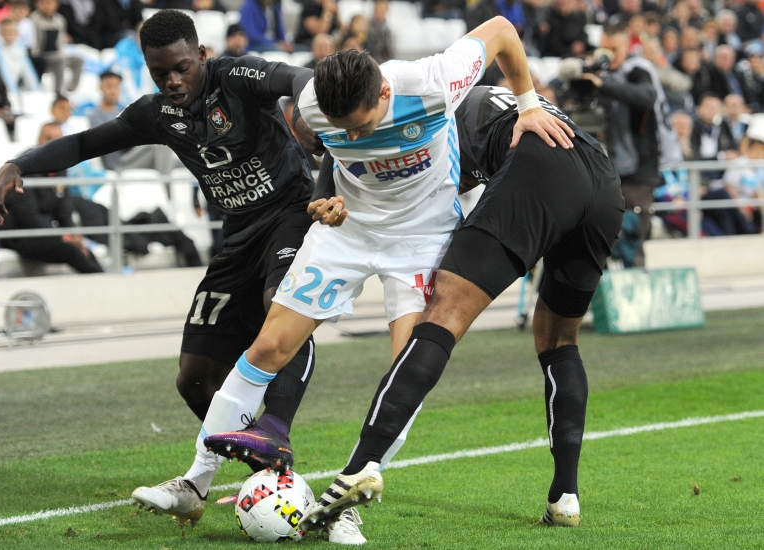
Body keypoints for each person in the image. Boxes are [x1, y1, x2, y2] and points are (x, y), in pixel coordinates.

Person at [201, 16, 575, 543]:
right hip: (349, 234)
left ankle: (346, 498)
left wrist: (529, 105)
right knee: (267, 346)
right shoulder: (312, 105)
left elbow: (503, 30)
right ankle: (193, 485)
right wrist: (326, 192)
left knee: (408, 369)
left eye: (361, 123)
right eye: (343, 127)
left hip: (421, 239)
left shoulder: (435, 80)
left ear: (384, 90)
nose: (354, 136)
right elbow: (333, 149)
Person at [0, 8, 319, 534]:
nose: (173, 80)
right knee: (193, 379)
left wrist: (309, 108)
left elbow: (296, 78)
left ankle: (269, 436)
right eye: (160, 71)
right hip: (238, 238)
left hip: (293, 214)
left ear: (201, 55)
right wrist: (18, 163)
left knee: (282, 311)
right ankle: (269, 475)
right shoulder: (158, 113)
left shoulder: (237, 77)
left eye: (182, 68)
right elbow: (85, 144)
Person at [299, 82, 623, 537]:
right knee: (557, 339)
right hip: (600, 178)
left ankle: (359, 466)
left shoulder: (424, 109)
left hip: (539, 166)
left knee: (442, 315)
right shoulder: (472, 93)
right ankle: (564, 496)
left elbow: (440, 183)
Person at [580, 23, 681, 267]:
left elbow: (645, 96)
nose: (609, 54)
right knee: (600, 232)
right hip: (606, 168)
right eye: (605, 48)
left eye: (614, 48)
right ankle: (601, 294)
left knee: (634, 235)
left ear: (627, 47)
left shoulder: (638, 70)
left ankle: (636, 295)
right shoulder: (600, 73)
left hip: (639, 169)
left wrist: (602, 85)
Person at [0, 122, 104, 273]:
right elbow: (29, 217)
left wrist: (73, 234)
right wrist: (64, 237)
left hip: (46, 233)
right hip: (19, 235)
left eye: (58, 140)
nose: (53, 144)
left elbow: (64, 211)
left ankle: (106, 286)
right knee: (72, 252)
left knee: (85, 250)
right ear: (38, 141)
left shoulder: (61, 167)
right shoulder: (21, 169)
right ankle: (101, 287)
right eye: (48, 139)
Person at [29, 0, 84, 94]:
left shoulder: (60, 20)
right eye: (44, 3)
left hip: (57, 53)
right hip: (40, 56)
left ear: (56, 5)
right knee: (59, 60)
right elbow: (33, 42)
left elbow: (60, 42)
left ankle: (71, 89)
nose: (47, 6)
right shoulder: (33, 19)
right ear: (37, 4)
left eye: (50, 3)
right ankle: (58, 92)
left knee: (78, 60)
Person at [84, 71, 126, 169]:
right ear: (100, 87)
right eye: (109, 86)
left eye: (116, 86)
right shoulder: (94, 115)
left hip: (132, 155)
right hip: (117, 162)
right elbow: (105, 140)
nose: (113, 91)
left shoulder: (125, 112)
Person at [0, 17, 42, 94]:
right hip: (1, 90)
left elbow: (28, 72)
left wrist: (37, 91)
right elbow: (3, 73)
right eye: (5, 32)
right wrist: (13, 92)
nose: (9, 34)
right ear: (0, 33)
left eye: (12, 31)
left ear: (17, 33)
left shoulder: (20, 50)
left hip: (14, 89)